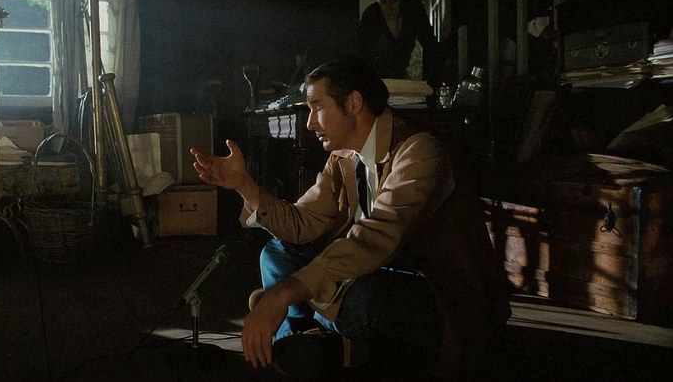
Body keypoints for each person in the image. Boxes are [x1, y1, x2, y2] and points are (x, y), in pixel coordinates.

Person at [190, 56, 510, 379]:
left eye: (318, 107)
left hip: (435, 294)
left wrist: (283, 294)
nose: (310, 123)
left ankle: (315, 337)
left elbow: (373, 239)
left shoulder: (419, 151)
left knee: (365, 297)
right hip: (371, 273)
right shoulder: (342, 158)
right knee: (276, 253)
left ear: (354, 103)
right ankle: (306, 343)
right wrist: (246, 186)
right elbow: (302, 223)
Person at [358, 0, 440, 81]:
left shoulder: (413, 10)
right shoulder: (371, 16)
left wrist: (429, 79)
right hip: (377, 78)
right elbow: (365, 55)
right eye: (384, 2)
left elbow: (430, 44)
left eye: (393, 1)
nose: (389, 8)